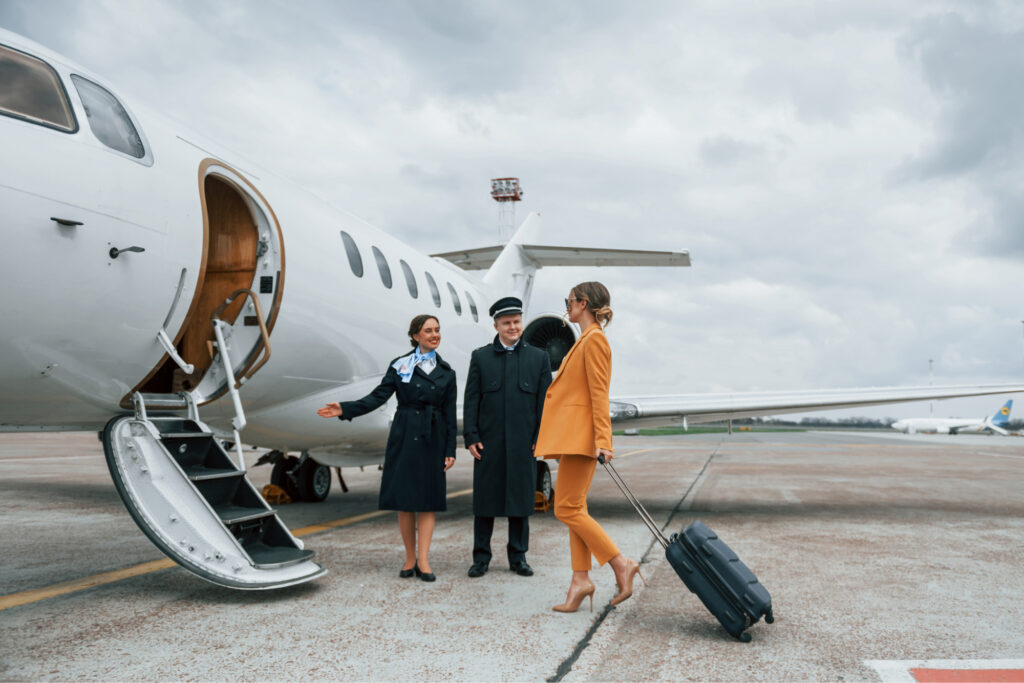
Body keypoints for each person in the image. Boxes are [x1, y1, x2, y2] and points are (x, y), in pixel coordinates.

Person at [317, 314, 456, 582]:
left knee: (428, 502)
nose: (435, 334)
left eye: (437, 330)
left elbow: (450, 414)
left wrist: (450, 449)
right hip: (405, 435)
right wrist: (346, 408)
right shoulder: (401, 365)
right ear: (415, 335)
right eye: (428, 330)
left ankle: (424, 561)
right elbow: (377, 397)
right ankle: (410, 558)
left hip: (433, 437)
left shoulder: (447, 372)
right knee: (405, 501)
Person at [534, 281, 643, 612]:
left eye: (569, 301)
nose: (567, 306)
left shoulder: (594, 341)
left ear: (583, 303)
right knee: (573, 507)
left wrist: (602, 441)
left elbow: (599, 393)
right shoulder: (584, 340)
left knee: (566, 508)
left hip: (584, 440)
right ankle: (580, 581)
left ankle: (620, 563)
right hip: (574, 438)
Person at [463, 296, 553, 579]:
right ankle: (481, 558)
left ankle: (518, 557)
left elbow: (545, 403)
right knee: (485, 503)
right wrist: (471, 435)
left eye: (516, 322)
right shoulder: (480, 357)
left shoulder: (539, 358)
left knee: (521, 502)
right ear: (496, 325)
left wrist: (542, 437)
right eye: (507, 323)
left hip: (523, 443)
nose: (513, 327)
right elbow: (471, 400)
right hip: (488, 443)